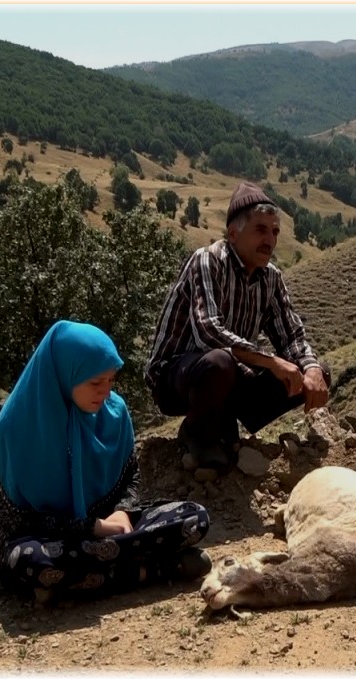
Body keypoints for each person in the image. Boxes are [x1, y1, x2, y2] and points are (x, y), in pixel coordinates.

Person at [0, 319, 212, 601]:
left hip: (113, 529)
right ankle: (152, 570)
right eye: (95, 382)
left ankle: (82, 581)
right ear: (64, 374)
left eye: (110, 381)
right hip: (46, 537)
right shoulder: (17, 427)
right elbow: (18, 519)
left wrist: (122, 511)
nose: (106, 392)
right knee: (28, 560)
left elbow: (130, 476)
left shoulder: (114, 412)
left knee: (193, 517)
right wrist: (91, 528)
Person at [146, 181, 331, 473]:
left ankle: (222, 420)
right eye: (260, 229)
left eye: (274, 231)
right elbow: (209, 332)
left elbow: (291, 335)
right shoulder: (207, 261)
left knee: (313, 375)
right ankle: (197, 431)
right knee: (219, 363)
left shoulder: (270, 278)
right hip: (177, 377)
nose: (269, 239)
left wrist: (310, 368)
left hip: (231, 374)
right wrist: (271, 362)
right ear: (233, 234)